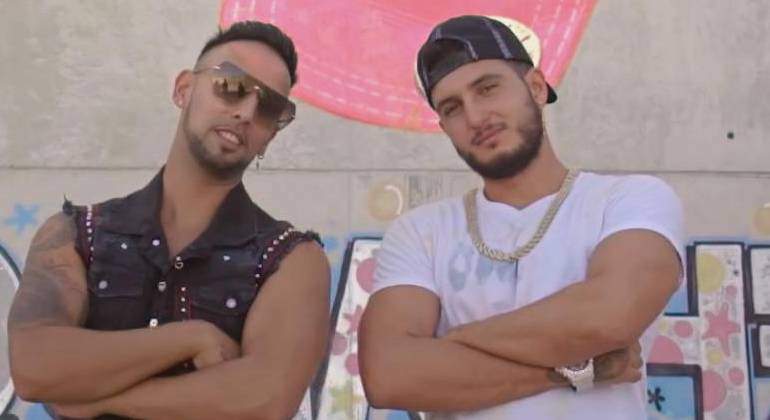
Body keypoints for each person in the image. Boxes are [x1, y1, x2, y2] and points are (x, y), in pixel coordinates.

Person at [360, 15, 684, 419]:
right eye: (453, 108)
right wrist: (577, 370)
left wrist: (450, 344)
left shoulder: (628, 200)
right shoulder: (420, 232)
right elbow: (390, 376)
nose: (475, 117)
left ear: (536, 87)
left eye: (487, 88)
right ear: (444, 127)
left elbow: (609, 317)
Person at [8, 20, 330, 420]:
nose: (246, 111)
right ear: (184, 89)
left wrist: (98, 400)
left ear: (271, 136)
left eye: (269, 108)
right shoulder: (77, 233)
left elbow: (265, 400)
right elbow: (34, 366)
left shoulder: (291, 258)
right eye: (231, 85)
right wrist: (189, 338)